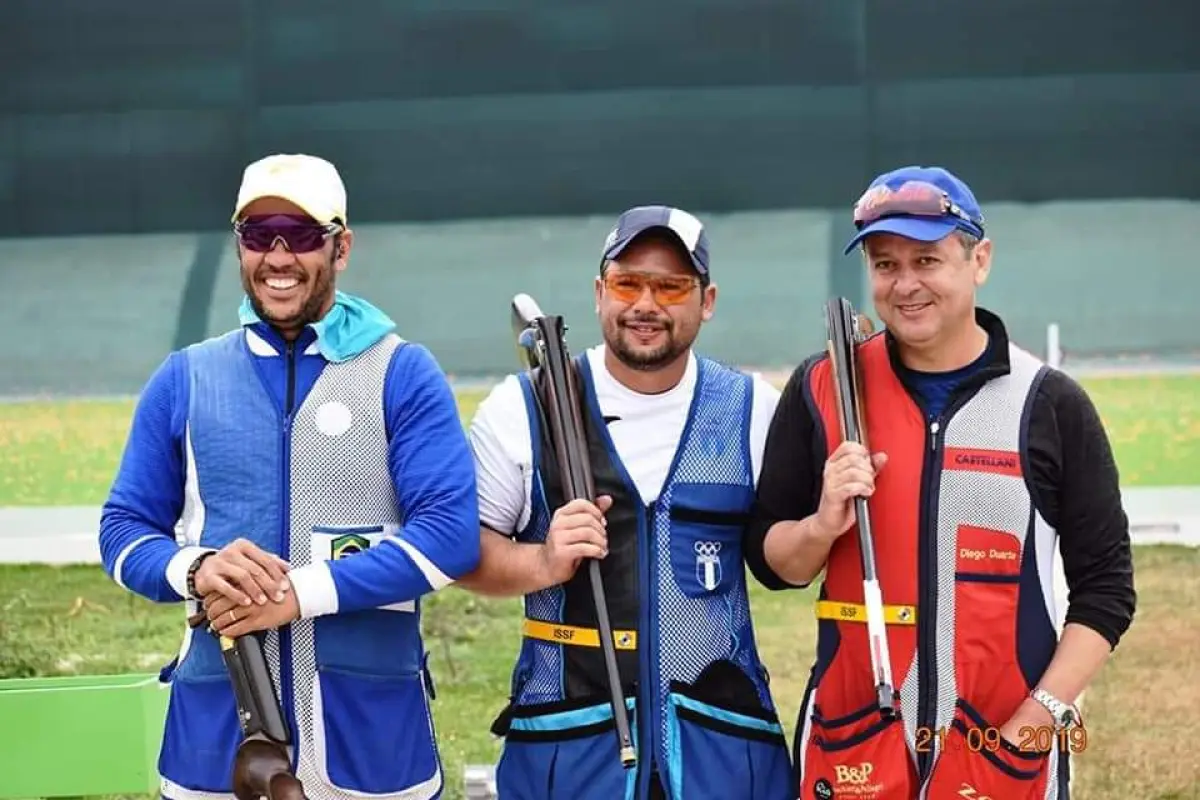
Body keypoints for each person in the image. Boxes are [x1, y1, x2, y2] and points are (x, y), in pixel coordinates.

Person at [745, 165, 1137, 799]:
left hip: (1002, 749)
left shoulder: (1049, 403)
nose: (905, 285)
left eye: (927, 260)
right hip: (854, 748)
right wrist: (822, 524)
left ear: (978, 260)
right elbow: (772, 564)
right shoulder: (824, 389)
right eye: (884, 264)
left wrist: (1038, 719)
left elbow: (1107, 589)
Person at [97, 153, 480, 800]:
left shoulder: (402, 373)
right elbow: (123, 530)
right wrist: (195, 569)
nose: (278, 257)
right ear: (238, 246)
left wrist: (299, 593)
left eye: (302, 236)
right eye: (257, 235)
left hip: (373, 738)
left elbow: (448, 539)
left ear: (341, 246)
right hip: (219, 735)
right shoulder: (185, 376)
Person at [459, 205, 795, 800]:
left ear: (707, 300)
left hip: (720, 747)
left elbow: (789, 558)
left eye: (671, 287)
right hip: (569, 746)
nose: (646, 304)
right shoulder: (523, 407)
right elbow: (465, 554)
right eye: (627, 283)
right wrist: (542, 562)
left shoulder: (753, 408)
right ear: (598, 292)